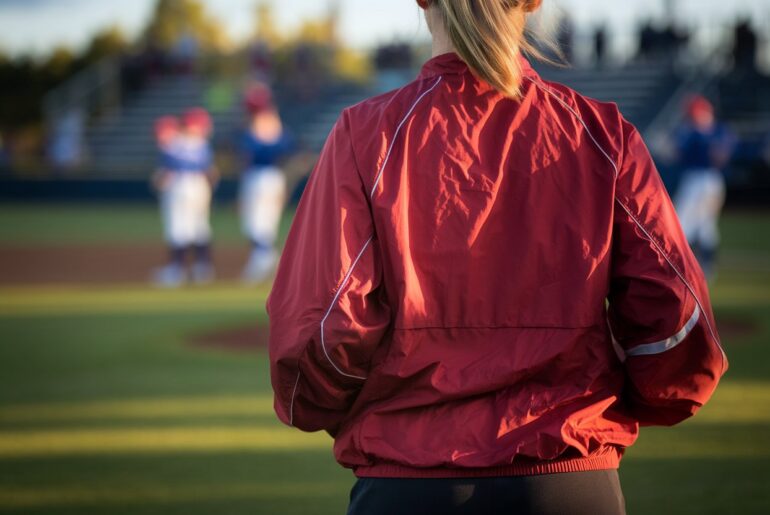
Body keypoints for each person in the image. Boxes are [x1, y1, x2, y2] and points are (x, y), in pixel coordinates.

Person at [266, 1, 727, 513]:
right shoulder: (601, 134)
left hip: (409, 482)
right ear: (533, 3)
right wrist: (617, 401)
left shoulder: (365, 134)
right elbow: (680, 322)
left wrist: (356, 409)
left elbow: (321, 334)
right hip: (570, 479)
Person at [152, 108, 217, 287]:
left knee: (178, 227)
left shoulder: (173, 142)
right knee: (200, 226)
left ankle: (176, 271)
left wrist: (158, 182)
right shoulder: (202, 144)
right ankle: (203, 269)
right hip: (200, 186)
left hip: (179, 185)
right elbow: (211, 173)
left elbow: (165, 173)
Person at [672, 96, 735, 280]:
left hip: (706, 179)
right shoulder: (690, 131)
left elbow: (721, 156)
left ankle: (699, 267)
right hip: (697, 179)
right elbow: (676, 154)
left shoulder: (715, 131)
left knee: (694, 224)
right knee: (696, 225)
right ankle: (697, 267)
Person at [238, 84, 294, 283]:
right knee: (267, 222)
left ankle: (264, 255)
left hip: (258, 176)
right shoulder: (276, 122)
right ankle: (264, 257)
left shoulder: (257, 122)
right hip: (275, 176)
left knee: (253, 223)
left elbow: (249, 153)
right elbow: (287, 149)